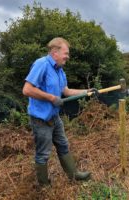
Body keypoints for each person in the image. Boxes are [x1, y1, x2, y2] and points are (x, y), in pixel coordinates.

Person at [22, 37, 96, 186]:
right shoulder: (41, 64)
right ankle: (43, 185)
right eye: (66, 53)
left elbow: (66, 91)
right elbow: (27, 89)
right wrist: (50, 98)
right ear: (55, 52)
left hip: (54, 117)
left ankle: (74, 175)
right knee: (43, 153)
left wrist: (87, 91)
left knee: (63, 144)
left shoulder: (60, 71)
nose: (68, 57)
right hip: (40, 119)